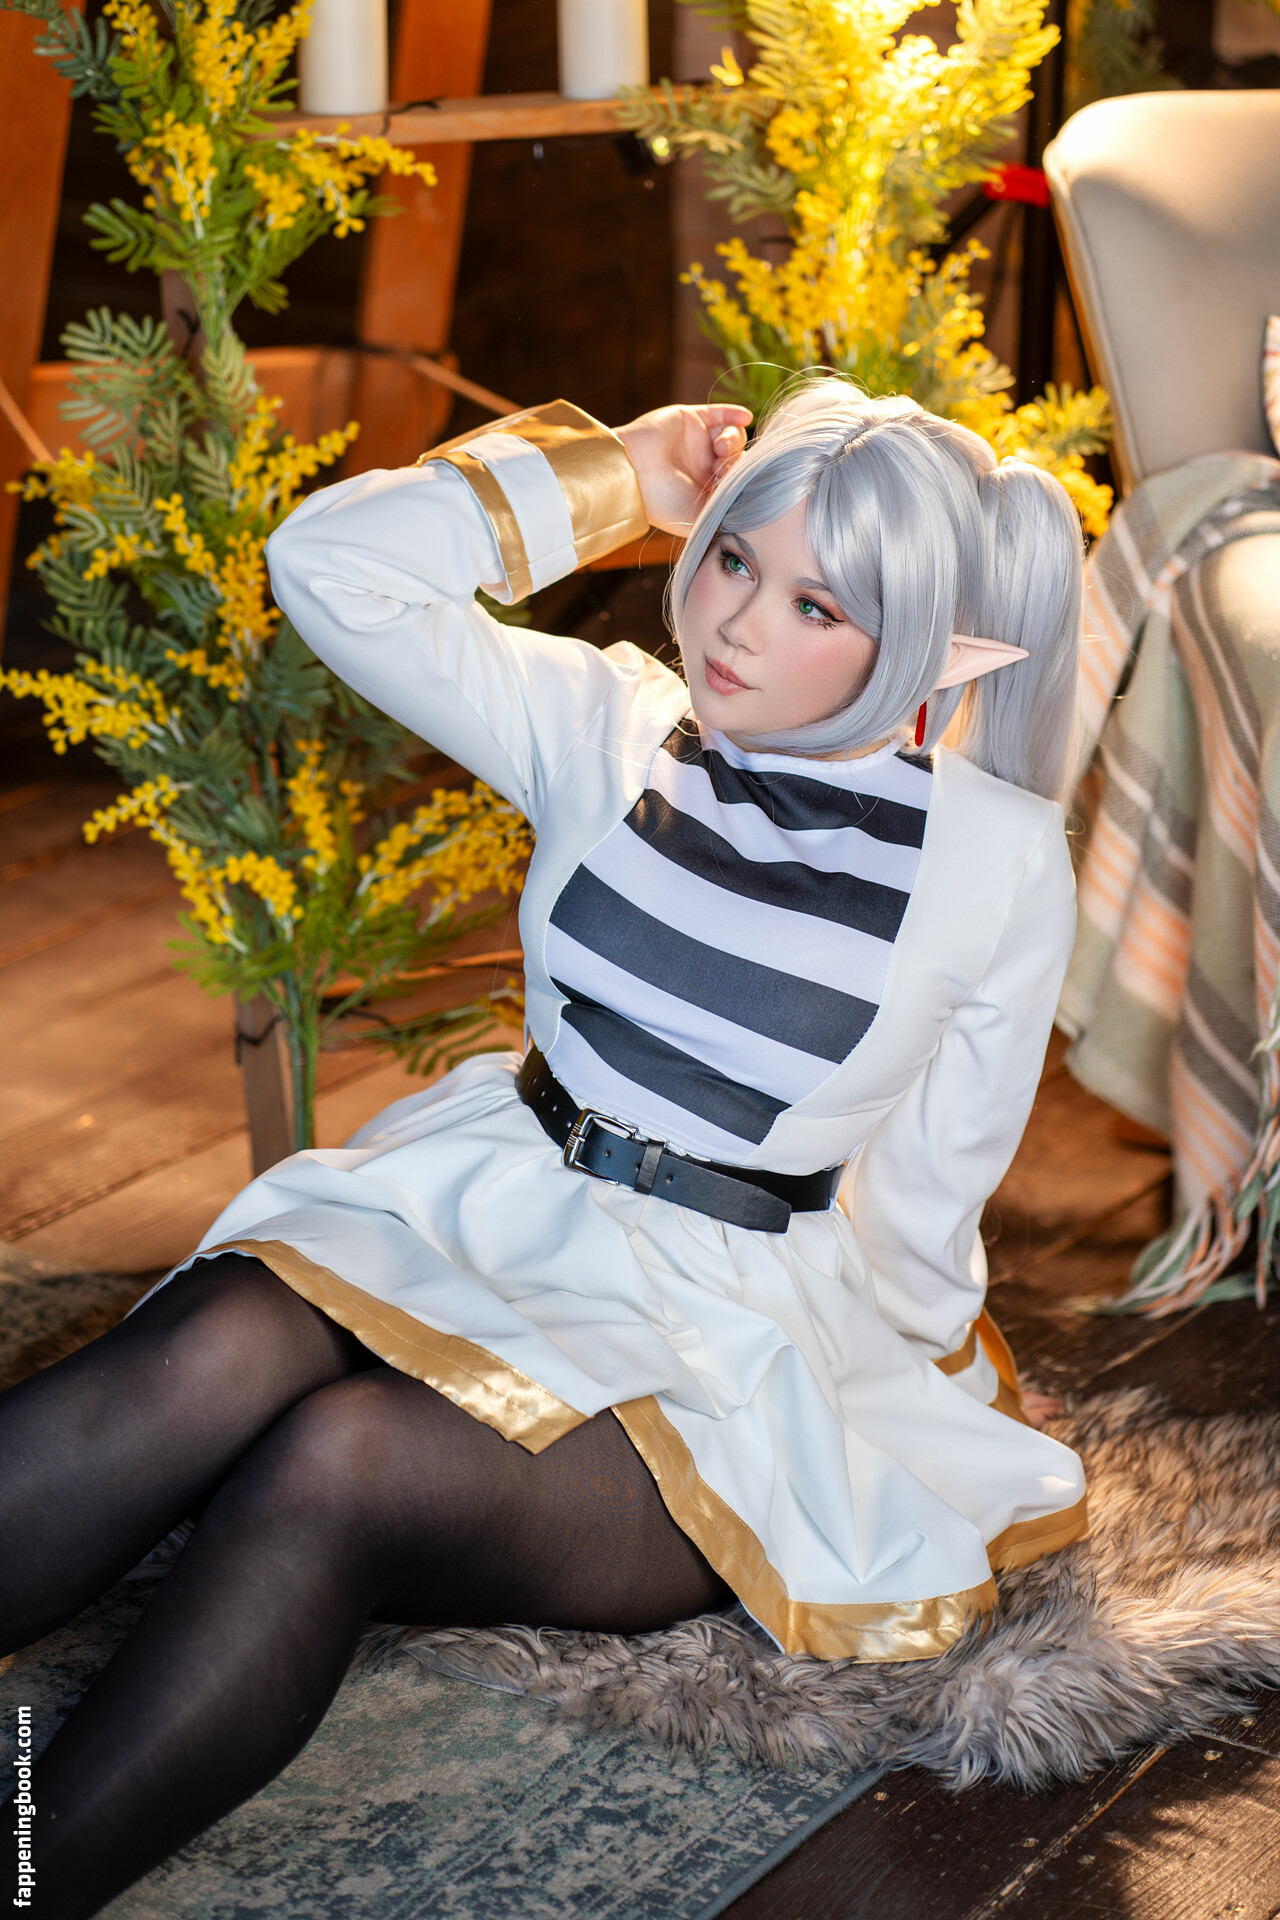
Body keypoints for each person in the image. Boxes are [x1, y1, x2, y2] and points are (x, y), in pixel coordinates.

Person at [1, 376, 1089, 1919]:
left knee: (338, 1467)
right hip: (480, 1194)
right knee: (203, 1354)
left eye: (815, 605)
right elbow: (330, 565)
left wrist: (938, 1384)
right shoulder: (609, 718)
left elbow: (930, 1187)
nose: (735, 625)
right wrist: (615, 474)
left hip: (712, 1338)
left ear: (919, 645)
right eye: (731, 559)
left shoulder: (998, 856)